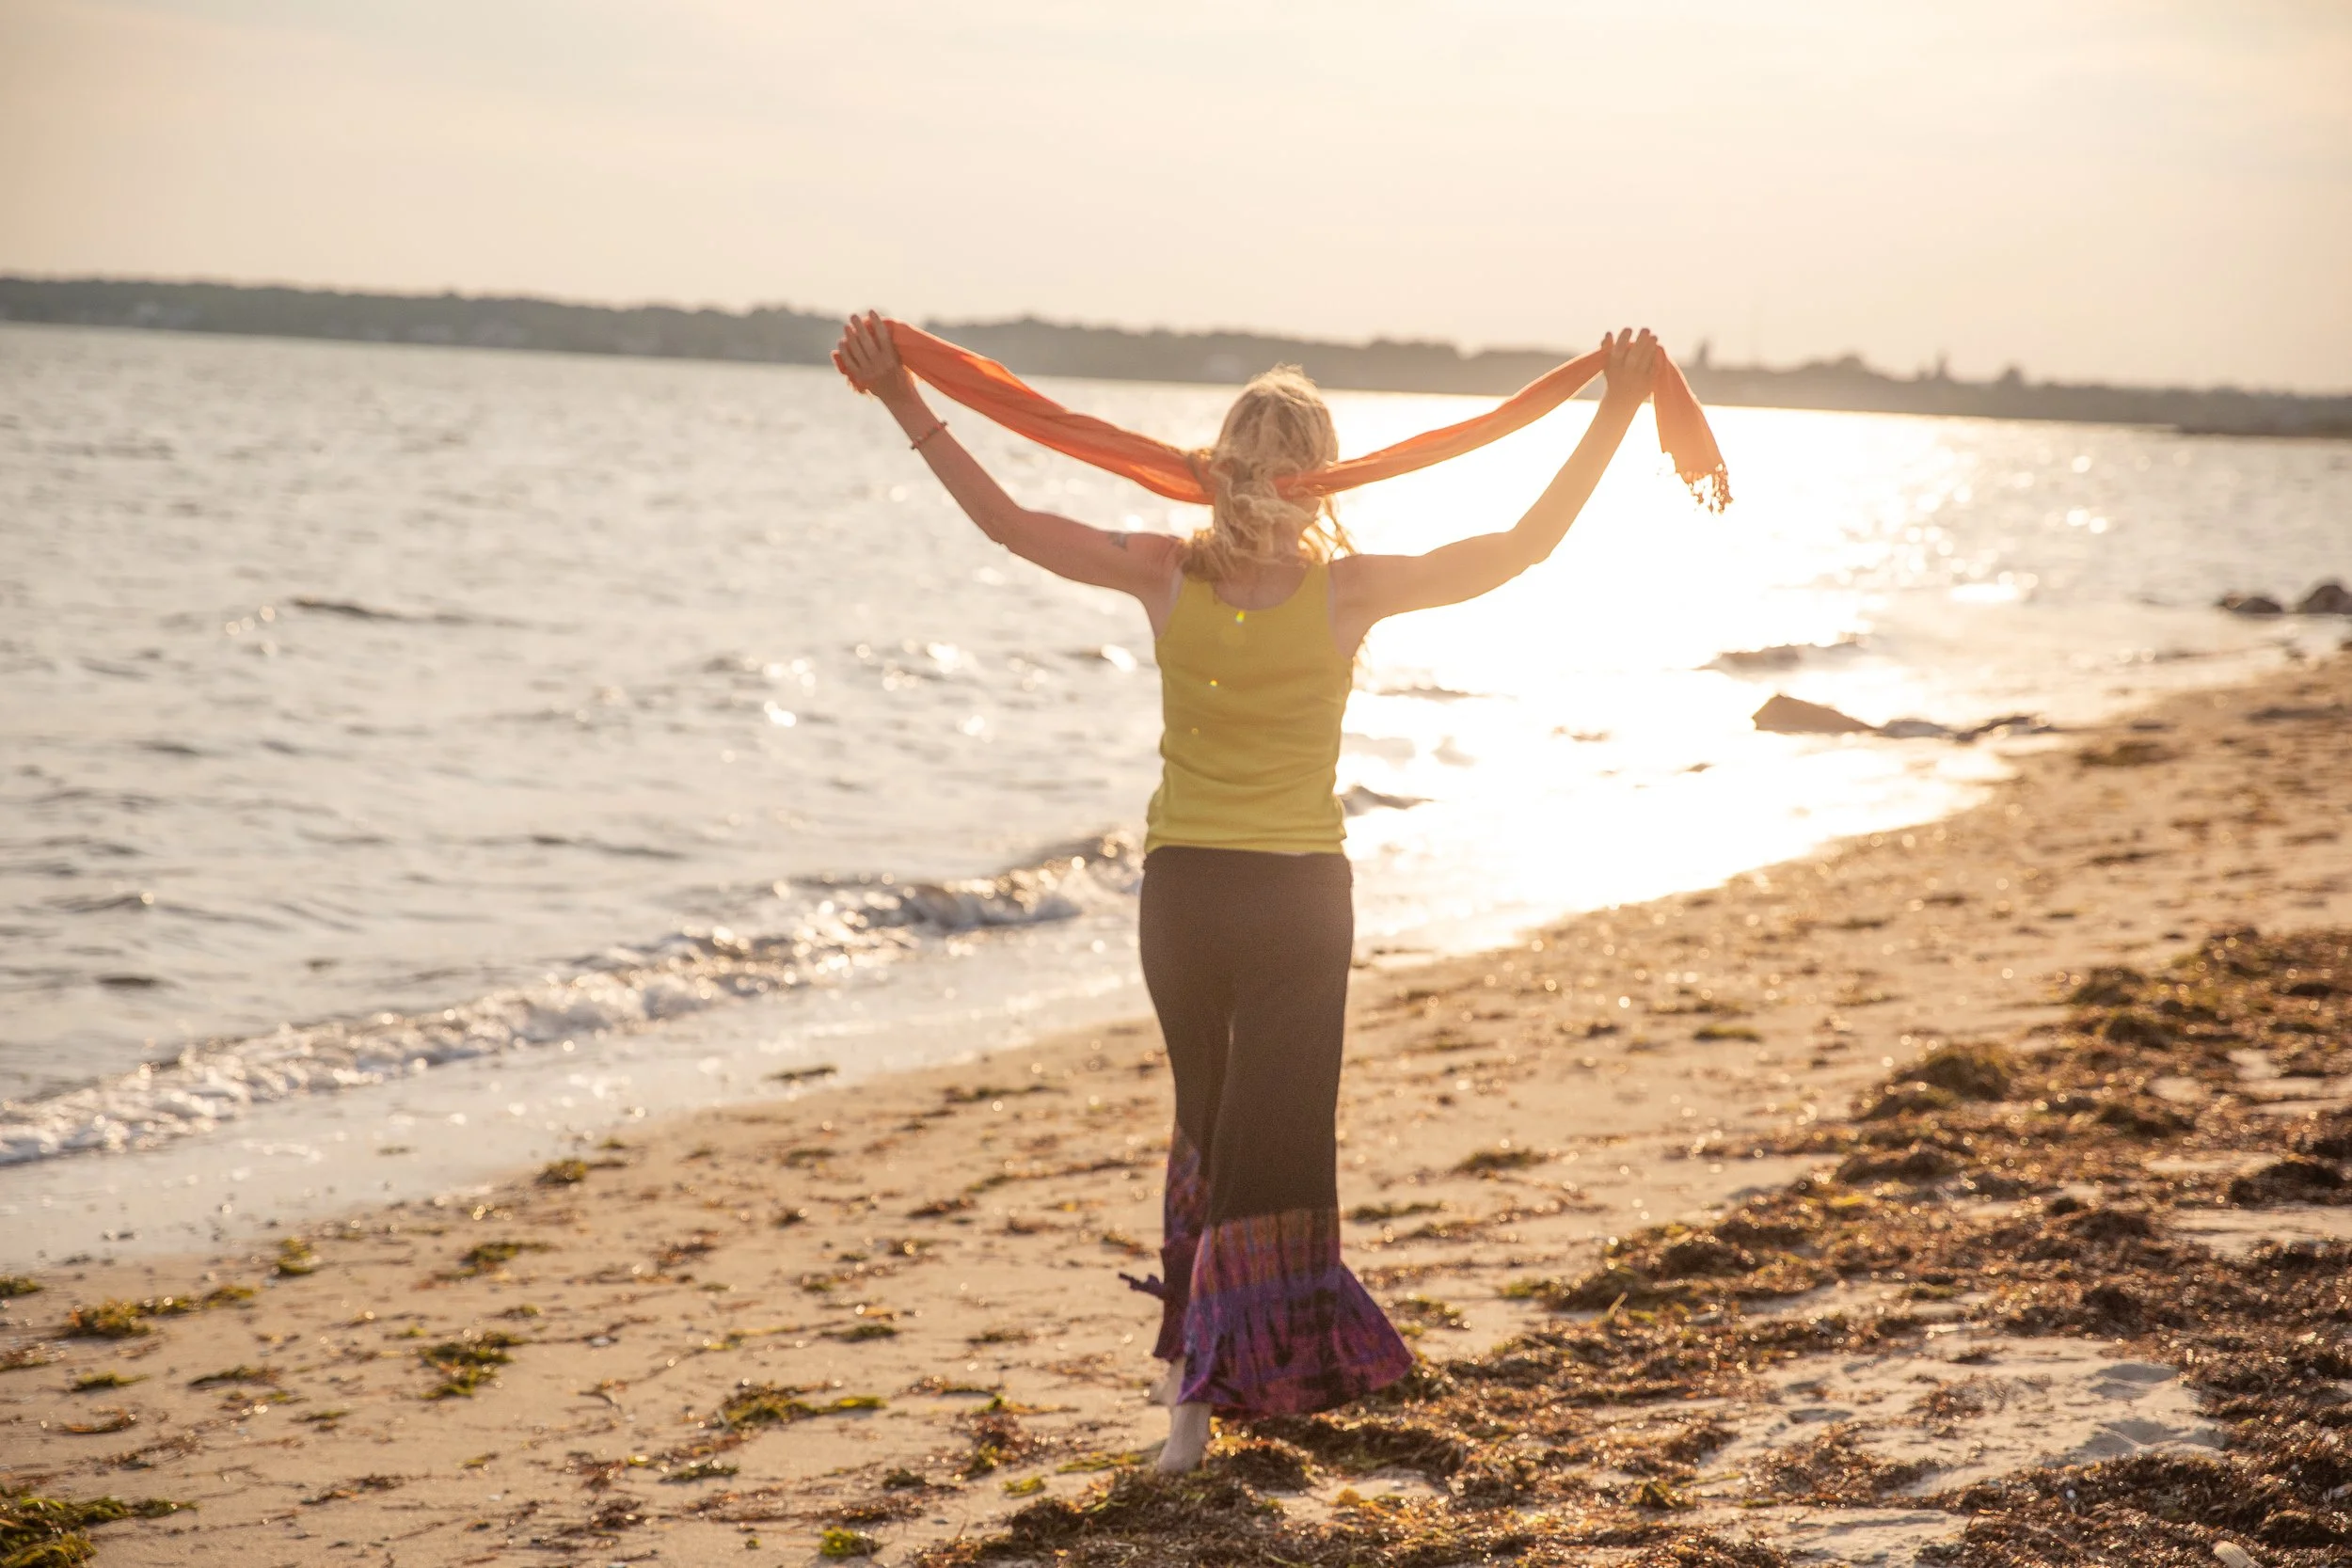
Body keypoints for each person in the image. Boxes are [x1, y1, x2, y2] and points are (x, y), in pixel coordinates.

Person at [833, 314, 1661, 1472]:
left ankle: (1198, 1389)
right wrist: (1615, 411)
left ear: (1218, 464)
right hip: (1291, 901)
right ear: (1321, 475)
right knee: (1262, 1141)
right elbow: (1520, 546)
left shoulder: (1163, 570)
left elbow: (1014, 524)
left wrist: (905, 404)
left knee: (1215, 1133)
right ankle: (1215, 1377)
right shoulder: (1343, 590)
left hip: (1187, 898)